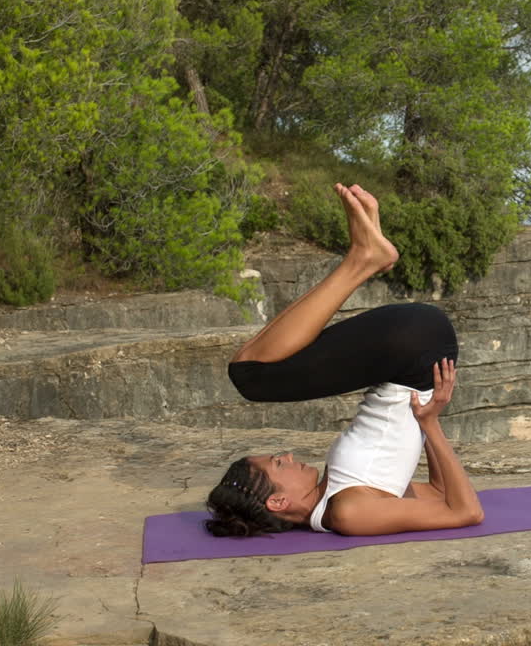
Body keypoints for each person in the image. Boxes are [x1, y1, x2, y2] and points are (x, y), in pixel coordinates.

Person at [206, 183, 485, 538]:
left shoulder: (336, 493)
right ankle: (361, 258)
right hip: (411, 350)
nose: (289, 455)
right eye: (279, 463)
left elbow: (438, 494)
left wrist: (430, 411)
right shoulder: (348, 514)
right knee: (248, 374)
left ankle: (364, 256)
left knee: (253, 369)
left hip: (410, 357)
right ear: (277, 502)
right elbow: (465, 510)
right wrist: (430, 423)